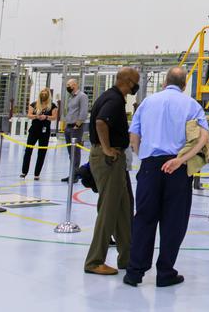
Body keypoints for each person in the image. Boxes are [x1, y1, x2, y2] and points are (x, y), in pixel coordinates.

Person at [123, 66, 209, 288]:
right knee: (174, 222)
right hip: (177, 168)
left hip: (150, 166)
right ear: (183, 85)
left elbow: (134, 134)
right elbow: (203, 138)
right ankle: (165, 273)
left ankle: (134, 272)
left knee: (143, 218)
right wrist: (182, 160)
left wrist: (142, 155)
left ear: (164, 83)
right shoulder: (192, 105)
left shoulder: (147, 103)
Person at [84, 67, 140, 276]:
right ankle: (94, 260)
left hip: (112, 160)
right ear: (127, 81)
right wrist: (107, 148)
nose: (137, 85)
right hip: (109, 160)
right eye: (136, 81)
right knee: (108, 209)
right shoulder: (114, 100)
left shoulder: (110, 96)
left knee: (123, 208)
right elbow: (101, 122)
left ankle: (127, 257)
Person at [20, 88, 58, 179]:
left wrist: (46, 117)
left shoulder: (53, 106)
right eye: (42, 93)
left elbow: (54, 117)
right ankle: (24, 171)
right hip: (34, 130)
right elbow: (29, 115)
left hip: (45, 131)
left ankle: (37, 174)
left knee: (42, 152)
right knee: (28, 150)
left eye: (45, 93)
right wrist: (36, 116)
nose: (43, 95)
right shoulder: (34, 104)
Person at [61, 78, 88, 182]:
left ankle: (75, 175)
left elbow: (84, 112)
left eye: (69, 84)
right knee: (70, 153)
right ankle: (72, 174)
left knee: (75, 153)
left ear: (75, 85)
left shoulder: (82, 96)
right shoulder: (71, 97)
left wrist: (78, 124)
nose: (68, 86)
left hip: (76, 127)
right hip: (68, 127)